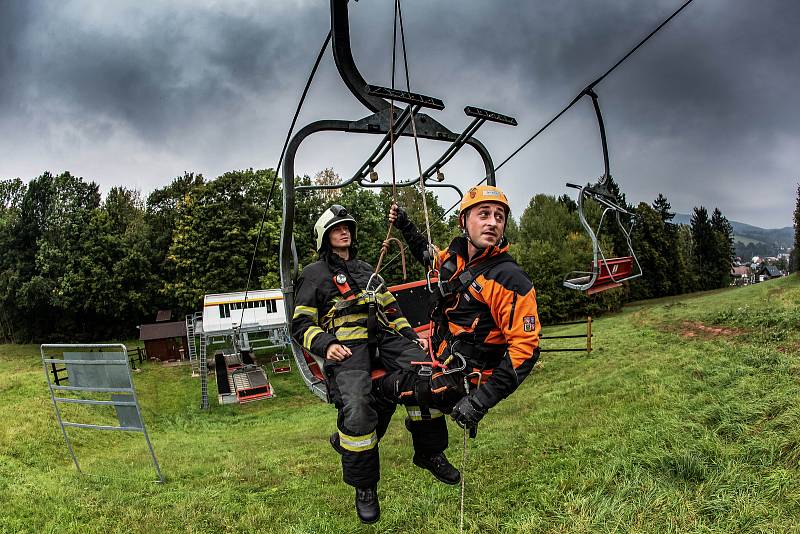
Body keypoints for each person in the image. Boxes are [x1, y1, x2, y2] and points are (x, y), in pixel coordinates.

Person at [291, 204, 460, 525]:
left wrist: (412, 337)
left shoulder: (368, 270)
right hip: (347, 346)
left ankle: (429, 452)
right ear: (324, 237)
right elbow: (299, 325)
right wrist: (328, 345)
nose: (345, 231)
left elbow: (392, 311)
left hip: (386, 339)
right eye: (337, 228)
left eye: (348, 227)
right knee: (357, 406)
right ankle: (365, 487)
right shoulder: (314, 275)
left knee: (427, 376)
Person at [382, 185, 541, 445]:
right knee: (398, 366)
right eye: (484, 214)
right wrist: (405, 225)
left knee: (388, 386)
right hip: (443, 356)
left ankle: (359, 438)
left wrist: (480, 401)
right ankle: (428, 451)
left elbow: (526, 348)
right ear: (464, 221)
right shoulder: (456, 259)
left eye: (499, 217)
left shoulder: (509, 279)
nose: (492, 223)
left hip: (467, 377)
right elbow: (428, 255)